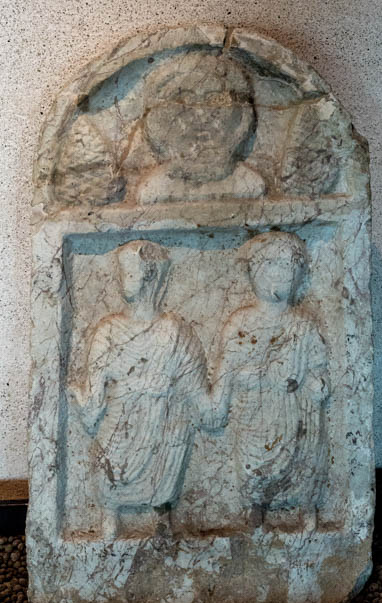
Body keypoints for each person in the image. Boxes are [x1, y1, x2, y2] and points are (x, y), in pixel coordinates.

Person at [68, 240, 215, 539]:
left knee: (172, 433)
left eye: (131, 272)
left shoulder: (175, 331)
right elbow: (94, 399)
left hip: (164, 423)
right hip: (120, 421)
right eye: (123, 272)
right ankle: (111, 514)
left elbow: (194, 389)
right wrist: (79, 398)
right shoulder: (108, 331)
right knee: (109, 466)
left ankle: (162, 513)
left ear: (151, 276)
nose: (124, 279)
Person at [212, 231, 329, 528]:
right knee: (255, 468)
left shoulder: (303, 324)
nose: (278, 274)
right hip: (254, 412)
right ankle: (256, 508)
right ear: (254, 271)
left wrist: (316, 383)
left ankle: (306, 509)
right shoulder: (240, 322)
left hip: (295, 411)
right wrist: (250, 377)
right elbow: (227, 372)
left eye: (287, 267)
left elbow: (318, 367)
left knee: (302, 460)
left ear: (298, 275)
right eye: (270, 265)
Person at [137, 51, 265, 203]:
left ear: (242, 117)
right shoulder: (154, 188)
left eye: (214, 100)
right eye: (184, 100)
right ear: (159, 118)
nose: (201, 114)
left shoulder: (250, 183)